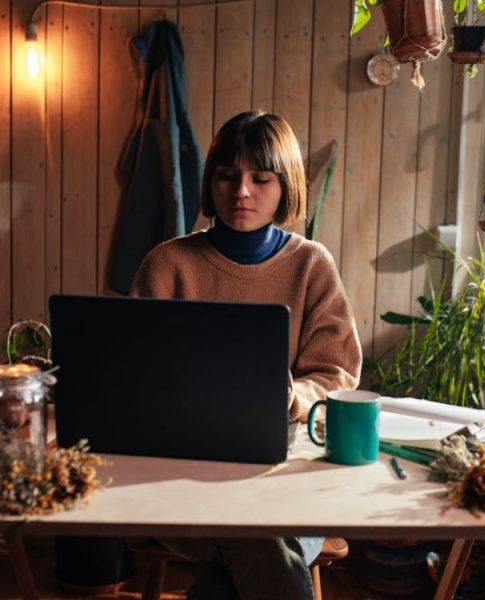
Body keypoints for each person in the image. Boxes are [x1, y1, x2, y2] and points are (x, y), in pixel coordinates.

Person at [130, 110, 362, 600]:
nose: (241, 192)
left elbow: (336, 371)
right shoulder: (168, 264)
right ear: (211, 182)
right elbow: (133, 373)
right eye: (227, 176)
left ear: (286, 186)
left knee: (254, 544)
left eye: (261, 178)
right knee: (263, 541)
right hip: (182, 480)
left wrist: (295, 396)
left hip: (287, 476)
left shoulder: (310, 265)